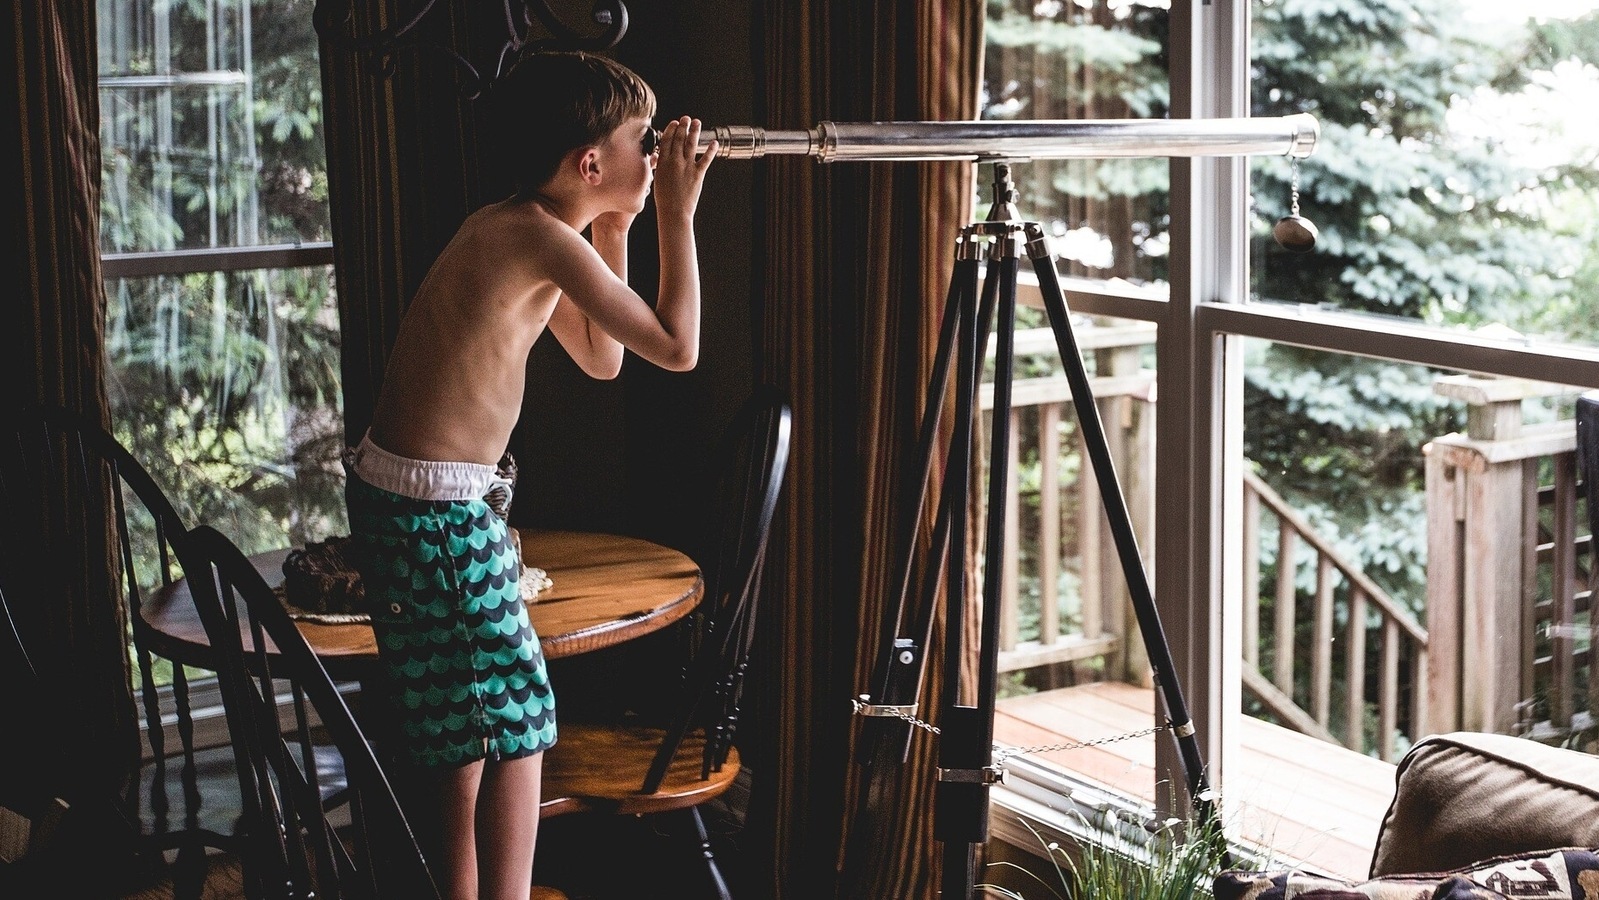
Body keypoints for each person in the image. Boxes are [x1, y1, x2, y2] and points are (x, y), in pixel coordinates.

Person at [343, 50, 717, 900]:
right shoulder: (537, 240)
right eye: (641, 142)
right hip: (438, 511)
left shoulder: (516, 227)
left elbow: (601, 360)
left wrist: (619, 227)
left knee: (458, 728)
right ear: (592, 164)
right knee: (517, 723)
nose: (656, 156)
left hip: (409, 499)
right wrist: (678, 216)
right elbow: (676, 347)